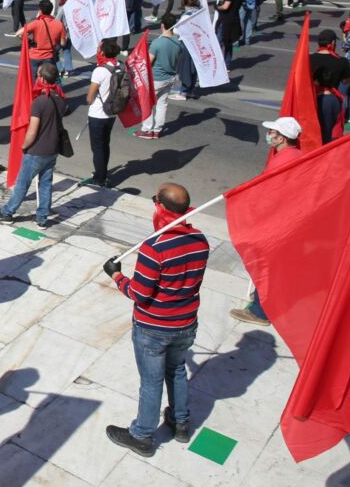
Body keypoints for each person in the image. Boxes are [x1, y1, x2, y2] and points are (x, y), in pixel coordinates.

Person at [103, 182, 208, 457]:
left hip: (153, 327)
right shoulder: (200, 240)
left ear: (161, 207)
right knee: (176, 371)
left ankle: (142, 435)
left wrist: (116, 275)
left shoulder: (155, 247)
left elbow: (139, 293)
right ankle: (181, 422)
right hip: (185, 323)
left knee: (151, 382)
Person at [230, 116, 303, 327]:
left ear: (281, 138)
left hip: (276, 223)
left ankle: (261, 312)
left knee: (267, 266)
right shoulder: (295, 154)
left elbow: (270, 195)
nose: (269, 135)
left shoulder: (283, 161)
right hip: (286, 221)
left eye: (273, 132)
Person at [0, 63, 66, 227]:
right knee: (45, 184)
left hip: (36, 150)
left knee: (22, 184)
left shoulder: (39, 102)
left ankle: (7, 212)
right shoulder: (60, 99)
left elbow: (32, 131)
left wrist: (24, 146)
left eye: (38, 75)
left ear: (42, 78)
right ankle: (42, 218)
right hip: (52, 150)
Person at [138, 14, 184, 140]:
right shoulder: (178, 42)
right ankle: (157, 130)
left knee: (147, 103)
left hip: (156, 78)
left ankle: (147, 129)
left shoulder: (157, 43)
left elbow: (149, 62)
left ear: (162, 25)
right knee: (162, 104)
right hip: (170, 77)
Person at [84, 39, 122, 188]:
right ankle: (102, 173)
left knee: (97, 147)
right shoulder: (119, 66)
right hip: (112, 112)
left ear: (103, 51)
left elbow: (89, 97)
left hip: (98, 114)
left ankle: (99, 178)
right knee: (105, 144)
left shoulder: (100, 70)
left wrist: (89, 99)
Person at [309, 29, 350, 143]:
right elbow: (346, 81)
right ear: (332, 43)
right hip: (331, 98)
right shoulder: (341, 61)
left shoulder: (308, 59)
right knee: (329, 132)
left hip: (312, 99)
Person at [14, 0, 66, 80]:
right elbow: (63, 43)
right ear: (51, 10)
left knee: (34, 79)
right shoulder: (59, 24)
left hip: (35, 55)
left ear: (40, 10)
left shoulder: (36, 23)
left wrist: (29, 41)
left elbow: (18, 33)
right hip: (49, 56)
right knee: (50, 79)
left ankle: (36, 92)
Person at [215, 0, 245, 68]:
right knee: (228, 42)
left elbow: (225, 7)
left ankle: (218, 63)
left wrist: (217, 7)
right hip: (234, 18)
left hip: (226, 19)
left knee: (220, 41)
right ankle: (227, 63)